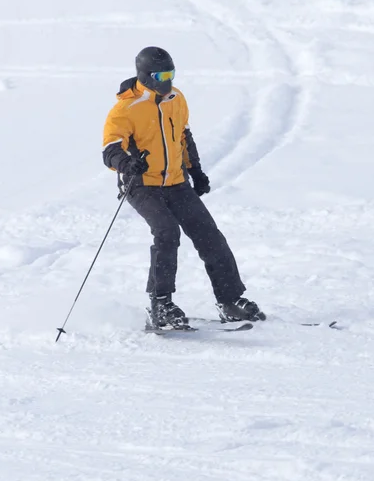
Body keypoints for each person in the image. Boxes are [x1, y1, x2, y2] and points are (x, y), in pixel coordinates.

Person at [102, 46, 265, 330]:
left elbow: (183, 137)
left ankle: (229, 301)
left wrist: (196, 171)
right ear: (145, 75)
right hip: (142, 185)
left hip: (176, 182)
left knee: (209, 235)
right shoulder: (125, 109)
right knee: (166, 232)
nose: (167, 80)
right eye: (160, 75)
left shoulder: (177, 99)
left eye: (171, 73)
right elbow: (110, 150)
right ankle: (160, 305)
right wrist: (128, 165)